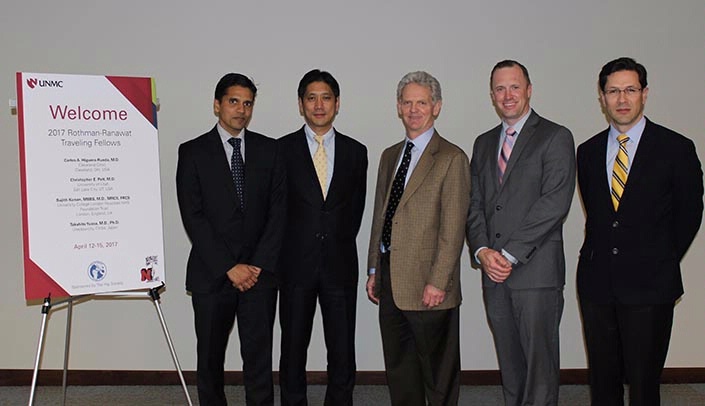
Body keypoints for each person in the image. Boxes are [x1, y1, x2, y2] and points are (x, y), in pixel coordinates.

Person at [576, 57, 703, 406]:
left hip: (651, 286)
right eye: (613, 91)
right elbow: (599, 217)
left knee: (645, 384)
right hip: (597, 284)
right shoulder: (586, 152)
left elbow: (690, 214)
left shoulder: (676, 148)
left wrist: (657, 258)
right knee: (603, 381)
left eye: (630, 90)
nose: (621, 99)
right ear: (602, 97)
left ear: (644, 94)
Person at [466, 60, 575, 406]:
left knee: (540, 372)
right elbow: (475, 203)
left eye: (514, 86)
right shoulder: (483, 144)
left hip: (535, 274)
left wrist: (509, 254)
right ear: (492, 95)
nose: (507, 95)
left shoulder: (555, 136)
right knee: (510, 369)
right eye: (500, 88)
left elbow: (554, 203)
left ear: (529, 89)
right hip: (493, 275)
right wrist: (482, 251)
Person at [176, 73, 286, 406]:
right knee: (209, 359)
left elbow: (278, 213)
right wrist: (229, 266)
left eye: (248, 103)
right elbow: (193, 217)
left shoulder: (270, 150)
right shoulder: (192, 152)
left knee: (259, 358)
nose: (241, 110)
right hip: (212, 274)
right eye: (233, 101)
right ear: (217, 105)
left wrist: (254, 265)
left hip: (259, 275)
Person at [366, 71, 470, 406]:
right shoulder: (389, 156)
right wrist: (373, 270)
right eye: (407, 102)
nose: (414, 109)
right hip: (391, 280)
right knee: (400, 370)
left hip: (430, 285)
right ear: (398, 107)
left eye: (421, 102)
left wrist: (438, 281)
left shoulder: (452, 158)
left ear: (436, 107)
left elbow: (453, 228)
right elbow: (380, 217)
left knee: (438, 375)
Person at [277, 69, 367, 406]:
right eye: (311, 98)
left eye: (326, 97)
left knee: (342, 349)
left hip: (340, 267)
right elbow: (277, 211)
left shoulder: (357, 153)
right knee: (293, 347)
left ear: (337, 103)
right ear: (300, 105)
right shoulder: (280, 150)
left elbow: (354, 211)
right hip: (294, 267)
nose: (319, 104)